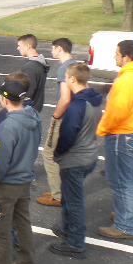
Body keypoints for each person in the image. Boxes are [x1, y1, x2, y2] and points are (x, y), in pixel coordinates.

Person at [96, 40, 133, 240]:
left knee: (121, 181)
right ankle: (129, 214)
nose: (114, 56)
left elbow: (117, 111)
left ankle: (125, 225)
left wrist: (102, 129)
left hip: (125, 134)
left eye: (116, 53)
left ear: (126, 57)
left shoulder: (127, 79)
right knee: (131, 178)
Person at [0, 80, 41, 264]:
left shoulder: (8, 126)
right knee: (23, 224)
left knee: (0, 232)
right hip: (24, 181)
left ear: (4, 99)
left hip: (6, 185)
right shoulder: (34, 117)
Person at [49, 62, 103, 258]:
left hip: (75, 159)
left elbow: (68, 134)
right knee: (68, 196)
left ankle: (75, 242)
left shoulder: (77, 105)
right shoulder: (95, 99)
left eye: (66, 79)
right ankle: (66, 227)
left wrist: (58, 153)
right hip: (89, 155)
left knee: (74, 202)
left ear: (72, 79)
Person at [37, 38, 76, 207]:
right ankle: (60, 189)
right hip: (74, 117)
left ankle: (57, 195)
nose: (51, 52)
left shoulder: (63, 69)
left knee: (49, 153)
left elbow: (65, 98)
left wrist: (55, 116)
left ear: (59, 49)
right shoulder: (76, 65)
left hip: (64, 118)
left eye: (53, 49)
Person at [16, 34, 49, 113]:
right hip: (36, 109)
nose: (18, 48)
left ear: (28, 46)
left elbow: (28, 92)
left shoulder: (29, 67)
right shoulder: (41, 63)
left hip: (28, 111)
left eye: (19, 46)